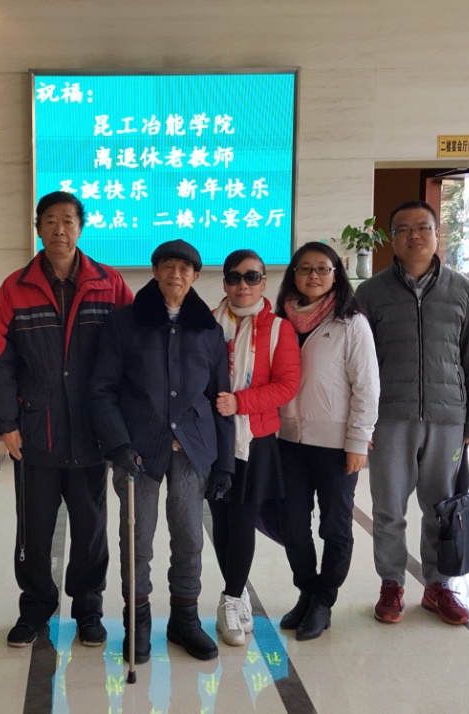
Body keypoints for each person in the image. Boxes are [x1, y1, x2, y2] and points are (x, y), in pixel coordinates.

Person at [0, 191, 133, 648]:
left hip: (91, 433)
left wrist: (123, 427)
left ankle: (89, 610)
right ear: (38, 228)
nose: (59, 229)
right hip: (35, 432)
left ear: (81, 227)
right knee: (34, 531)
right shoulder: (15, 288)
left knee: (90, 530)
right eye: (50, 220)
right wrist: (5, 423)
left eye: (68, 220)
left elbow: (133, 353)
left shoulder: (110, 284)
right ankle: (35, 608)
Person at [91, 239, 234, 663]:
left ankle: (184, 620)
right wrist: (118, 443)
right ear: (155, 271)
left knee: (189, 537)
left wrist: (225, 464)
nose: (176, 274)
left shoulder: (209, 330)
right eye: (168, 266)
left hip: (192, 449)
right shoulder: (123, 323)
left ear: (195, 276)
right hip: (137, 449)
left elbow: (220, 398)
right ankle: (137, 622)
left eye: (185, 269)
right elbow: (101, 390)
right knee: (137, 539)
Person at [355, 200, 469, 626]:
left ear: (436, 234)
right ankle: (391, 583)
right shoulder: (370, 293)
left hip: (447, 418)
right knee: (388, 509)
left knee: (441, 507)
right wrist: (360, 424)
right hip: (389, 417)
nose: (414, 235)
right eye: (403, 229)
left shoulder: (461, 290)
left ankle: (438, 585)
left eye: (422, 227)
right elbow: (357, 364)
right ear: (392, 239)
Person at [274, 241, 379, 640]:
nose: (313, 275)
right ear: (293, 275)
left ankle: (324, 600)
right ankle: (307, 590)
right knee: (293, 525)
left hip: (336, 445)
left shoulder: (351, 323)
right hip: (288, 440)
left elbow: (366, 387)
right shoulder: (279, 321)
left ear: (336, 275)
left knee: (334, 525)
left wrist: (358, 441)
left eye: (323, 268)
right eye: (305, 268)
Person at [208, 249, 300, 646]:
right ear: (225, 283)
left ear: (264, 283)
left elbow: (287, 385)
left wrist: (240, 402)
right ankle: (238, 591)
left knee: (243, 519)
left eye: (251, 277)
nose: (242, 285)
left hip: (253, 440)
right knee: (220, 519)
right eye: (234, 277)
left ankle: (230, 599)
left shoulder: (279, 329)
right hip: (213, 439)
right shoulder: (208, 324)